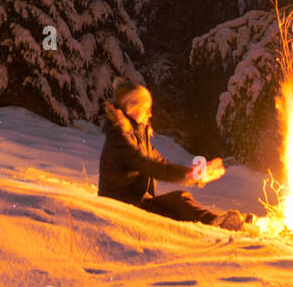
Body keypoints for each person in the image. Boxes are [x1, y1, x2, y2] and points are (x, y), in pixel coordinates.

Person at [99, 80, 250, 230]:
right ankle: (219, 224)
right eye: (146, 108)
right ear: (132, 107)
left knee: (179, 199)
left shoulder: (137, 133)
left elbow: (159, 162)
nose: (150, 113)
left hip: (136, 201)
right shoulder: (119, 137)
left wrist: (193, 172)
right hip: (121, 205)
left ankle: (219, 221)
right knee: (178, 203)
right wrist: (190, 175)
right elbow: (147, 165)